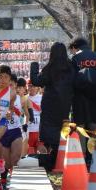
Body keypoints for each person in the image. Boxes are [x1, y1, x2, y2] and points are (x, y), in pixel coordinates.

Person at [30, 42, 75, 170]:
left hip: (50, 106)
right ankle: (58, 158)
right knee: (62, 131)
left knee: (49, 131)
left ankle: (52, 160)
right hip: (65, 106)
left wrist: (34, 64)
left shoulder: (50, 68)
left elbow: (36, 81)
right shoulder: (71, 68)